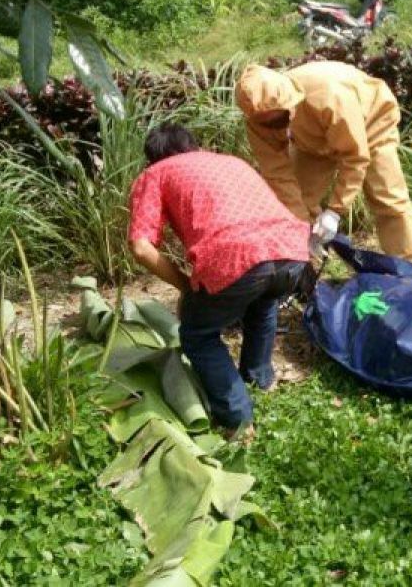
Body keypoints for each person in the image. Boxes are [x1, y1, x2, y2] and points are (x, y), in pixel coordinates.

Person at [127, 124, 312, 438]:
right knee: (263, 303)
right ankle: (259, 379)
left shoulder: (156, 173)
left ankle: (238, 419)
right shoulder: (230, 161)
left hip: (237, 257)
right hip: (293, 252)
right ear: (193, 145)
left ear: (153, 158)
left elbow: (141, 248)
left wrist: (186, 286)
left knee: (198, 333)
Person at [235, 60, 412, 262]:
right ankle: (306, 266)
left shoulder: (330, 97)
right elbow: (278, 176)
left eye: (280, 119)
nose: (276, 127)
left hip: (370, 123)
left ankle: (409, 268)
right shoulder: (259, 121)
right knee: (300, 202)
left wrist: (335, 211)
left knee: (387, 197)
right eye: (268, 123)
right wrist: (302, 229)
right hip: (312, 141)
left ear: (290, 101)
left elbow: (355, 158)